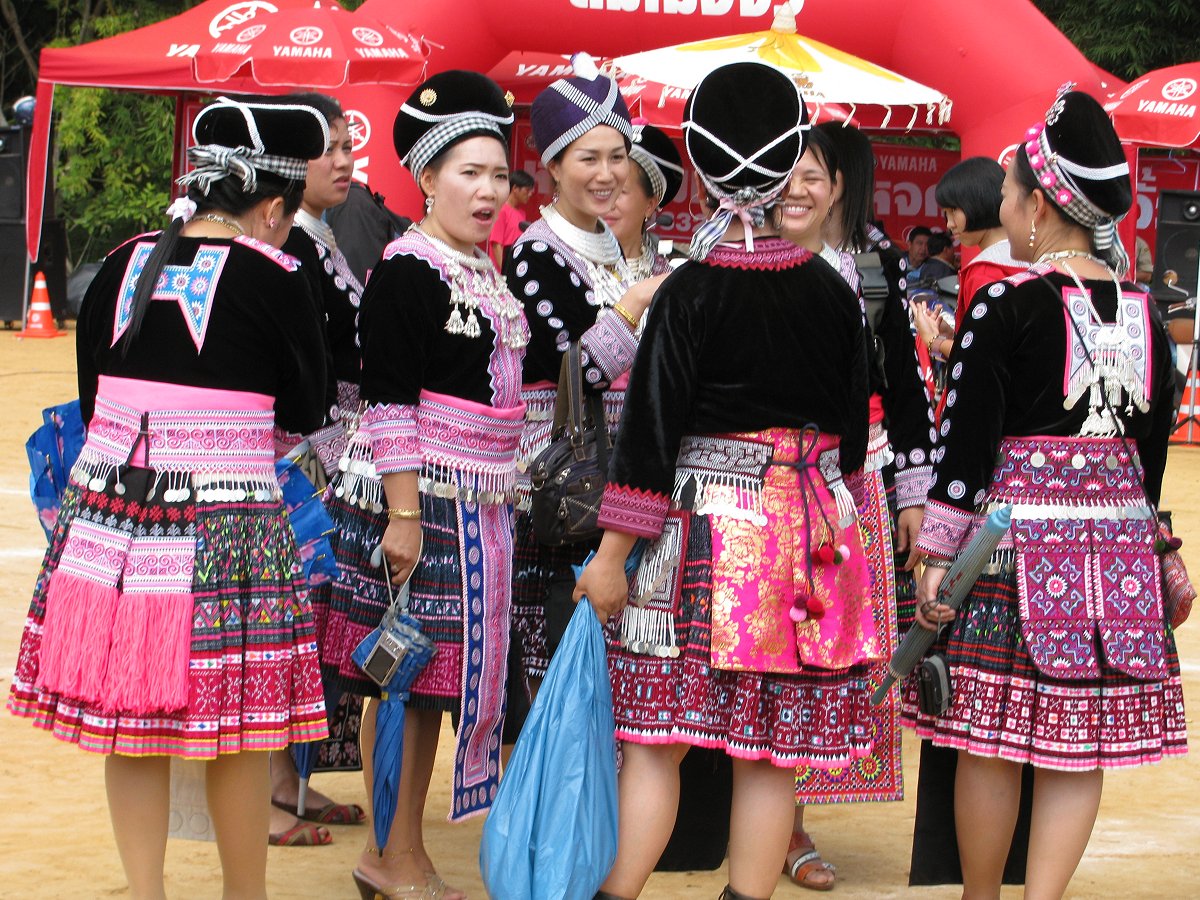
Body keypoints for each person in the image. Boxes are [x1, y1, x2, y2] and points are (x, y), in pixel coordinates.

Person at [7, 95, 331, 899]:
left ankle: (146, 891)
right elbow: (308, 408)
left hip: (113, 522)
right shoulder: (278, 275)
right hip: (228, 525)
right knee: (239, 724)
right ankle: (242, 894)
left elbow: (90, 400)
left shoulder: (121, 264)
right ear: (270, 205)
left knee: (134, 723)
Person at [576, 61, 878, 900]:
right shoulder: (833, 292)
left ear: (700, 169)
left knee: (655, 741)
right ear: (790, 164)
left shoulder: (689, 293)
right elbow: (852, 441)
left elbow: (650, 439)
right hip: (809, 539)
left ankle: (617, 893)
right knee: (771, 751)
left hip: (704, 534)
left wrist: (609, 557)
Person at [907, 88, 1187, 898]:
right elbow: (1150, 457)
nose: (1000, 204)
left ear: (1038, 204)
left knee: (992, 738)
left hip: (1014, 546)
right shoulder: (1144, 308)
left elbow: (966, 447)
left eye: (1007, 191)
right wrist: (1149, 546)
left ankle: (982, 896)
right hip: (1119, 550)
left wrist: (935, 557)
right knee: (1080, 744)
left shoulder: (1007, 299)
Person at [318, 70, 526, 900]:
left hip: (474, 507)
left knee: (431, 689)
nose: (486, 191)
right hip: (416, 504)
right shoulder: (409, 270)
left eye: (499, 175)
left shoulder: (480, 266)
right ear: (428, 177)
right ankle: (390, 853)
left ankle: (400, 849)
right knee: (402, 682)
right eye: (469, 173)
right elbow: (389, 403)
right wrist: (404, 516)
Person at [506, 55, 664, 710]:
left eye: (618, 156)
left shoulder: (612, 248)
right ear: (552, 165)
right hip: (566, 496)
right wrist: (638, 304)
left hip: (621, 487)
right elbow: (577, 369)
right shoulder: (536, 252)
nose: (607, 174)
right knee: (557, 690)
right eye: (587, 158)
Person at [269, 91, 367, 847]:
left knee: (318, 622)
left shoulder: (318, 238)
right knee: (297, 618)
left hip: (329, 454)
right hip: (301, 465)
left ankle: (291, 786)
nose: (344, 160)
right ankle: (275, 794)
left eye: (346, 145)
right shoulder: (289, 250)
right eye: (327, 147)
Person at [602, 118, 685, 278]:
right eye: (600, 190)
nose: (606, 203)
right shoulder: (564, 262)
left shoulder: (665, 279)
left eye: (619, 192)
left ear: (650, 205)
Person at [488, 168, 535, 266]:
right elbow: (496, 245)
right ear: (515, 189)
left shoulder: (522, 213)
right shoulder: (501, 211)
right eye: (527, 190)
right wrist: (506, 271)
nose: (530, 194)